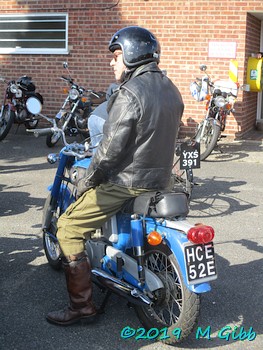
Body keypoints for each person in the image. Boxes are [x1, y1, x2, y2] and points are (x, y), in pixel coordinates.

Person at [46, 26, 184, 326]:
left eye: (117, 55)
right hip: (159, 180)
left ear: (133, 55)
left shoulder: (129, 92)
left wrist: (88, 180)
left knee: (68, 228)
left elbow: (108, 152)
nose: (112, 62)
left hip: (127, 184)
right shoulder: (171, 88)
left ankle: (81, 307)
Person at [88, 82, 118, 153]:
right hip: (104, 120)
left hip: (93, 117)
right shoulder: (124, 100)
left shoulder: (112, 97)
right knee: (109, 149)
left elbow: (111, 87)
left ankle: (95, 162)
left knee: (96, 148)